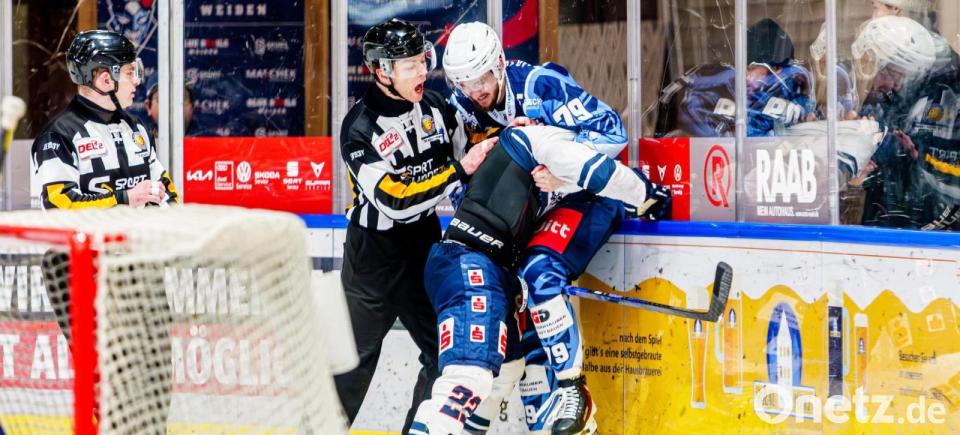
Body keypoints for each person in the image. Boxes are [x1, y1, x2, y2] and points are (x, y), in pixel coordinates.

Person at [441, 21, 670, 434]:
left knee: (539, 271)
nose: (475, 90)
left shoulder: (540, 85)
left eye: (481, 78)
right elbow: (463, 177)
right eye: (464, 82)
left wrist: (562, 175)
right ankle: (549, 419)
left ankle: (573, 390)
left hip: (586, 194)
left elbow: (612, 134)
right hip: (532, 207)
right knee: (519, 299)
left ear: (499, 63)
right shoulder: (463, 106)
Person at [410, 124, 670, 435]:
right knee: (469, 376)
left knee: (507, 371)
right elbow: (600, 172)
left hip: (491, 274)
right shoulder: (534, 141)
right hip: (470, 265)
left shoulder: (552, 180)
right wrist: (649, 194)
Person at [333, 18, 495, 433]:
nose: (422, 72)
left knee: (444, 357)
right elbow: (395, 200)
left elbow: (477, 141)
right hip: (372, 260)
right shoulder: (359, 129)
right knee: (350, 366)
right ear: (381, 72)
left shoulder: (438, 107)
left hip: (424, 248)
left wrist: (512, 134)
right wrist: (458, 170)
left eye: (423, 61)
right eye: (409, 66)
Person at [31, 29, 177, 209]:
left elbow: (168, 192)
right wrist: (125, 198)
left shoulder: (137, 128)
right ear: (106, 80)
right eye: (130, 73)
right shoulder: (58, 136)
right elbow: (58, 205)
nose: (137, 81)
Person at [654, 19, 814, 138]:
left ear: (779, 69)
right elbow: (668, 121)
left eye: (752, 69)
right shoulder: (714, 83)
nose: (747, 76)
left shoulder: (795, 92)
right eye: (745, 68)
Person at [851, 16, 939, 228]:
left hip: (907, 221)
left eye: (902, 77)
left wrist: (911, 159)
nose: (894, 85)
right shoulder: (864, 102)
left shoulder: (900, 103)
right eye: (890, 72)